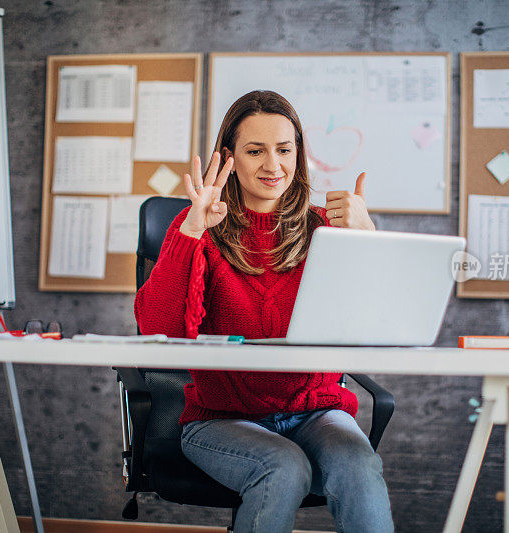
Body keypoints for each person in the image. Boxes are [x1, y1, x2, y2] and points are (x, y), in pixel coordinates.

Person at [134, 90, 393, 533]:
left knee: (359, 465)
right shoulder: (199, 226)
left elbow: (378, 326)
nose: (273, 165)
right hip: (222, 418)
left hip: (315, 409)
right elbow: (157, 330)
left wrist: (367, 242)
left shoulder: (326, 229)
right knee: (284, 467)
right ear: (229, 157)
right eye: (255, 150)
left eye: (284, 150)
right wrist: (192, 230)